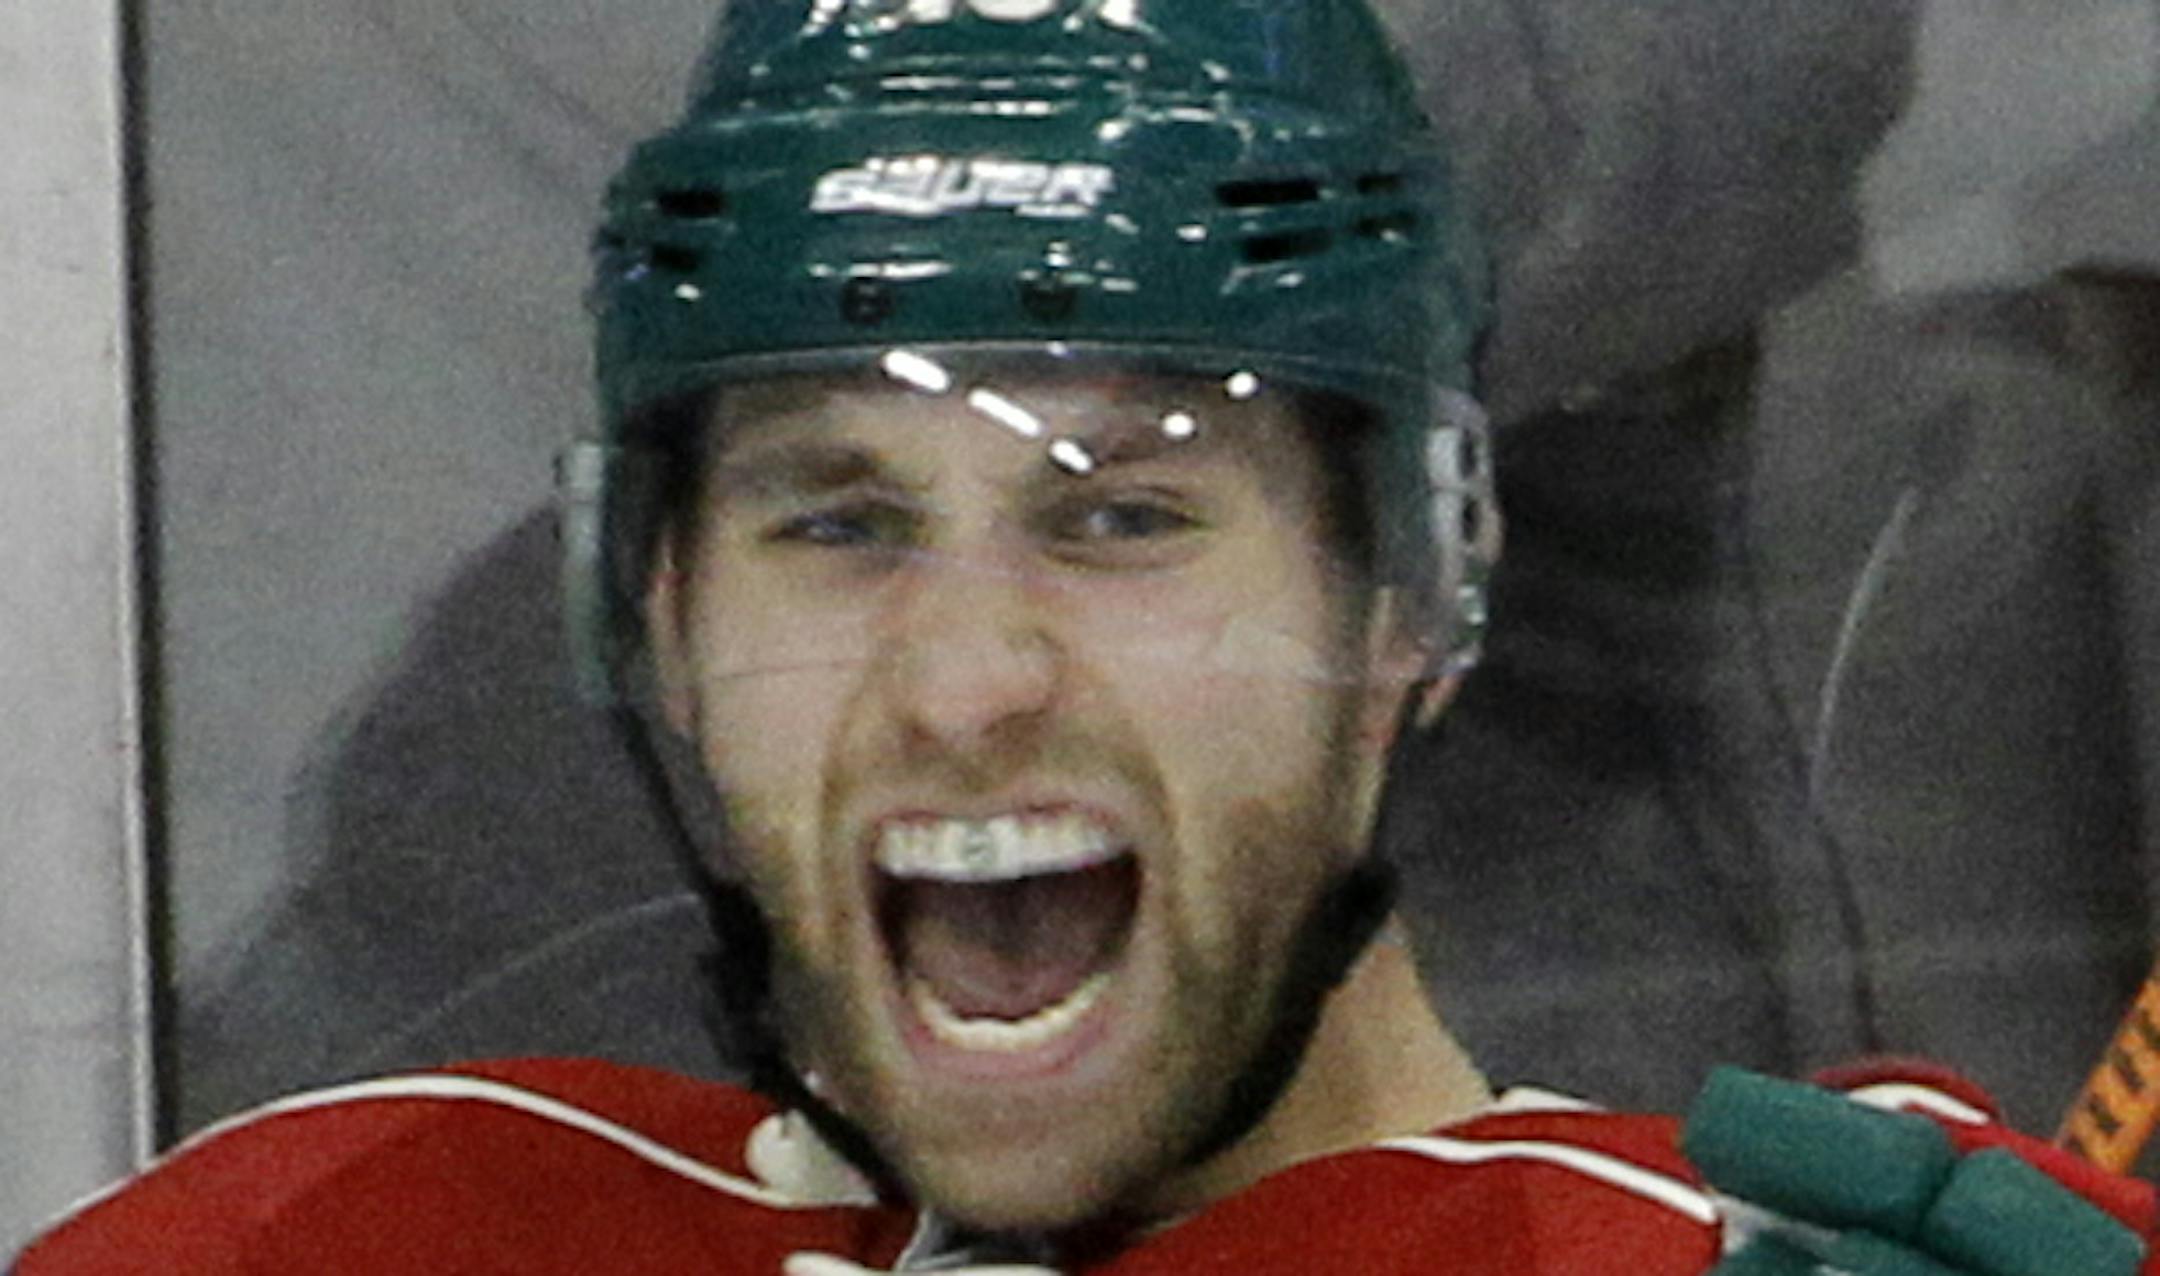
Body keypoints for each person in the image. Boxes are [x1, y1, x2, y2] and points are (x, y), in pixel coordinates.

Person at [19, 3, 2155, 1272]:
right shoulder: (375, 1228)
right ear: (651, 618)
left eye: (1123, 515)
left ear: (1413, 592)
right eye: (839, 520)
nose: (965, 679)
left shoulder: (1735, 1258)